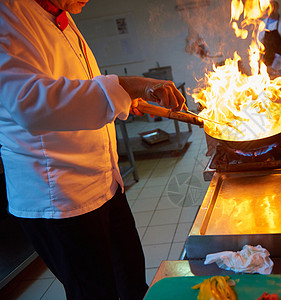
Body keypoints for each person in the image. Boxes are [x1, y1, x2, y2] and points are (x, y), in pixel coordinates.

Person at [0, 0, 185, 299]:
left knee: (132, 284)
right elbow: (30, 103)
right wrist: (126, 87)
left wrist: (122, 100)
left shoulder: (60, 15)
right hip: (60, 197)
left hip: (103, 183)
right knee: (96, 293)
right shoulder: (9, 14)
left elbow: (78, 86)